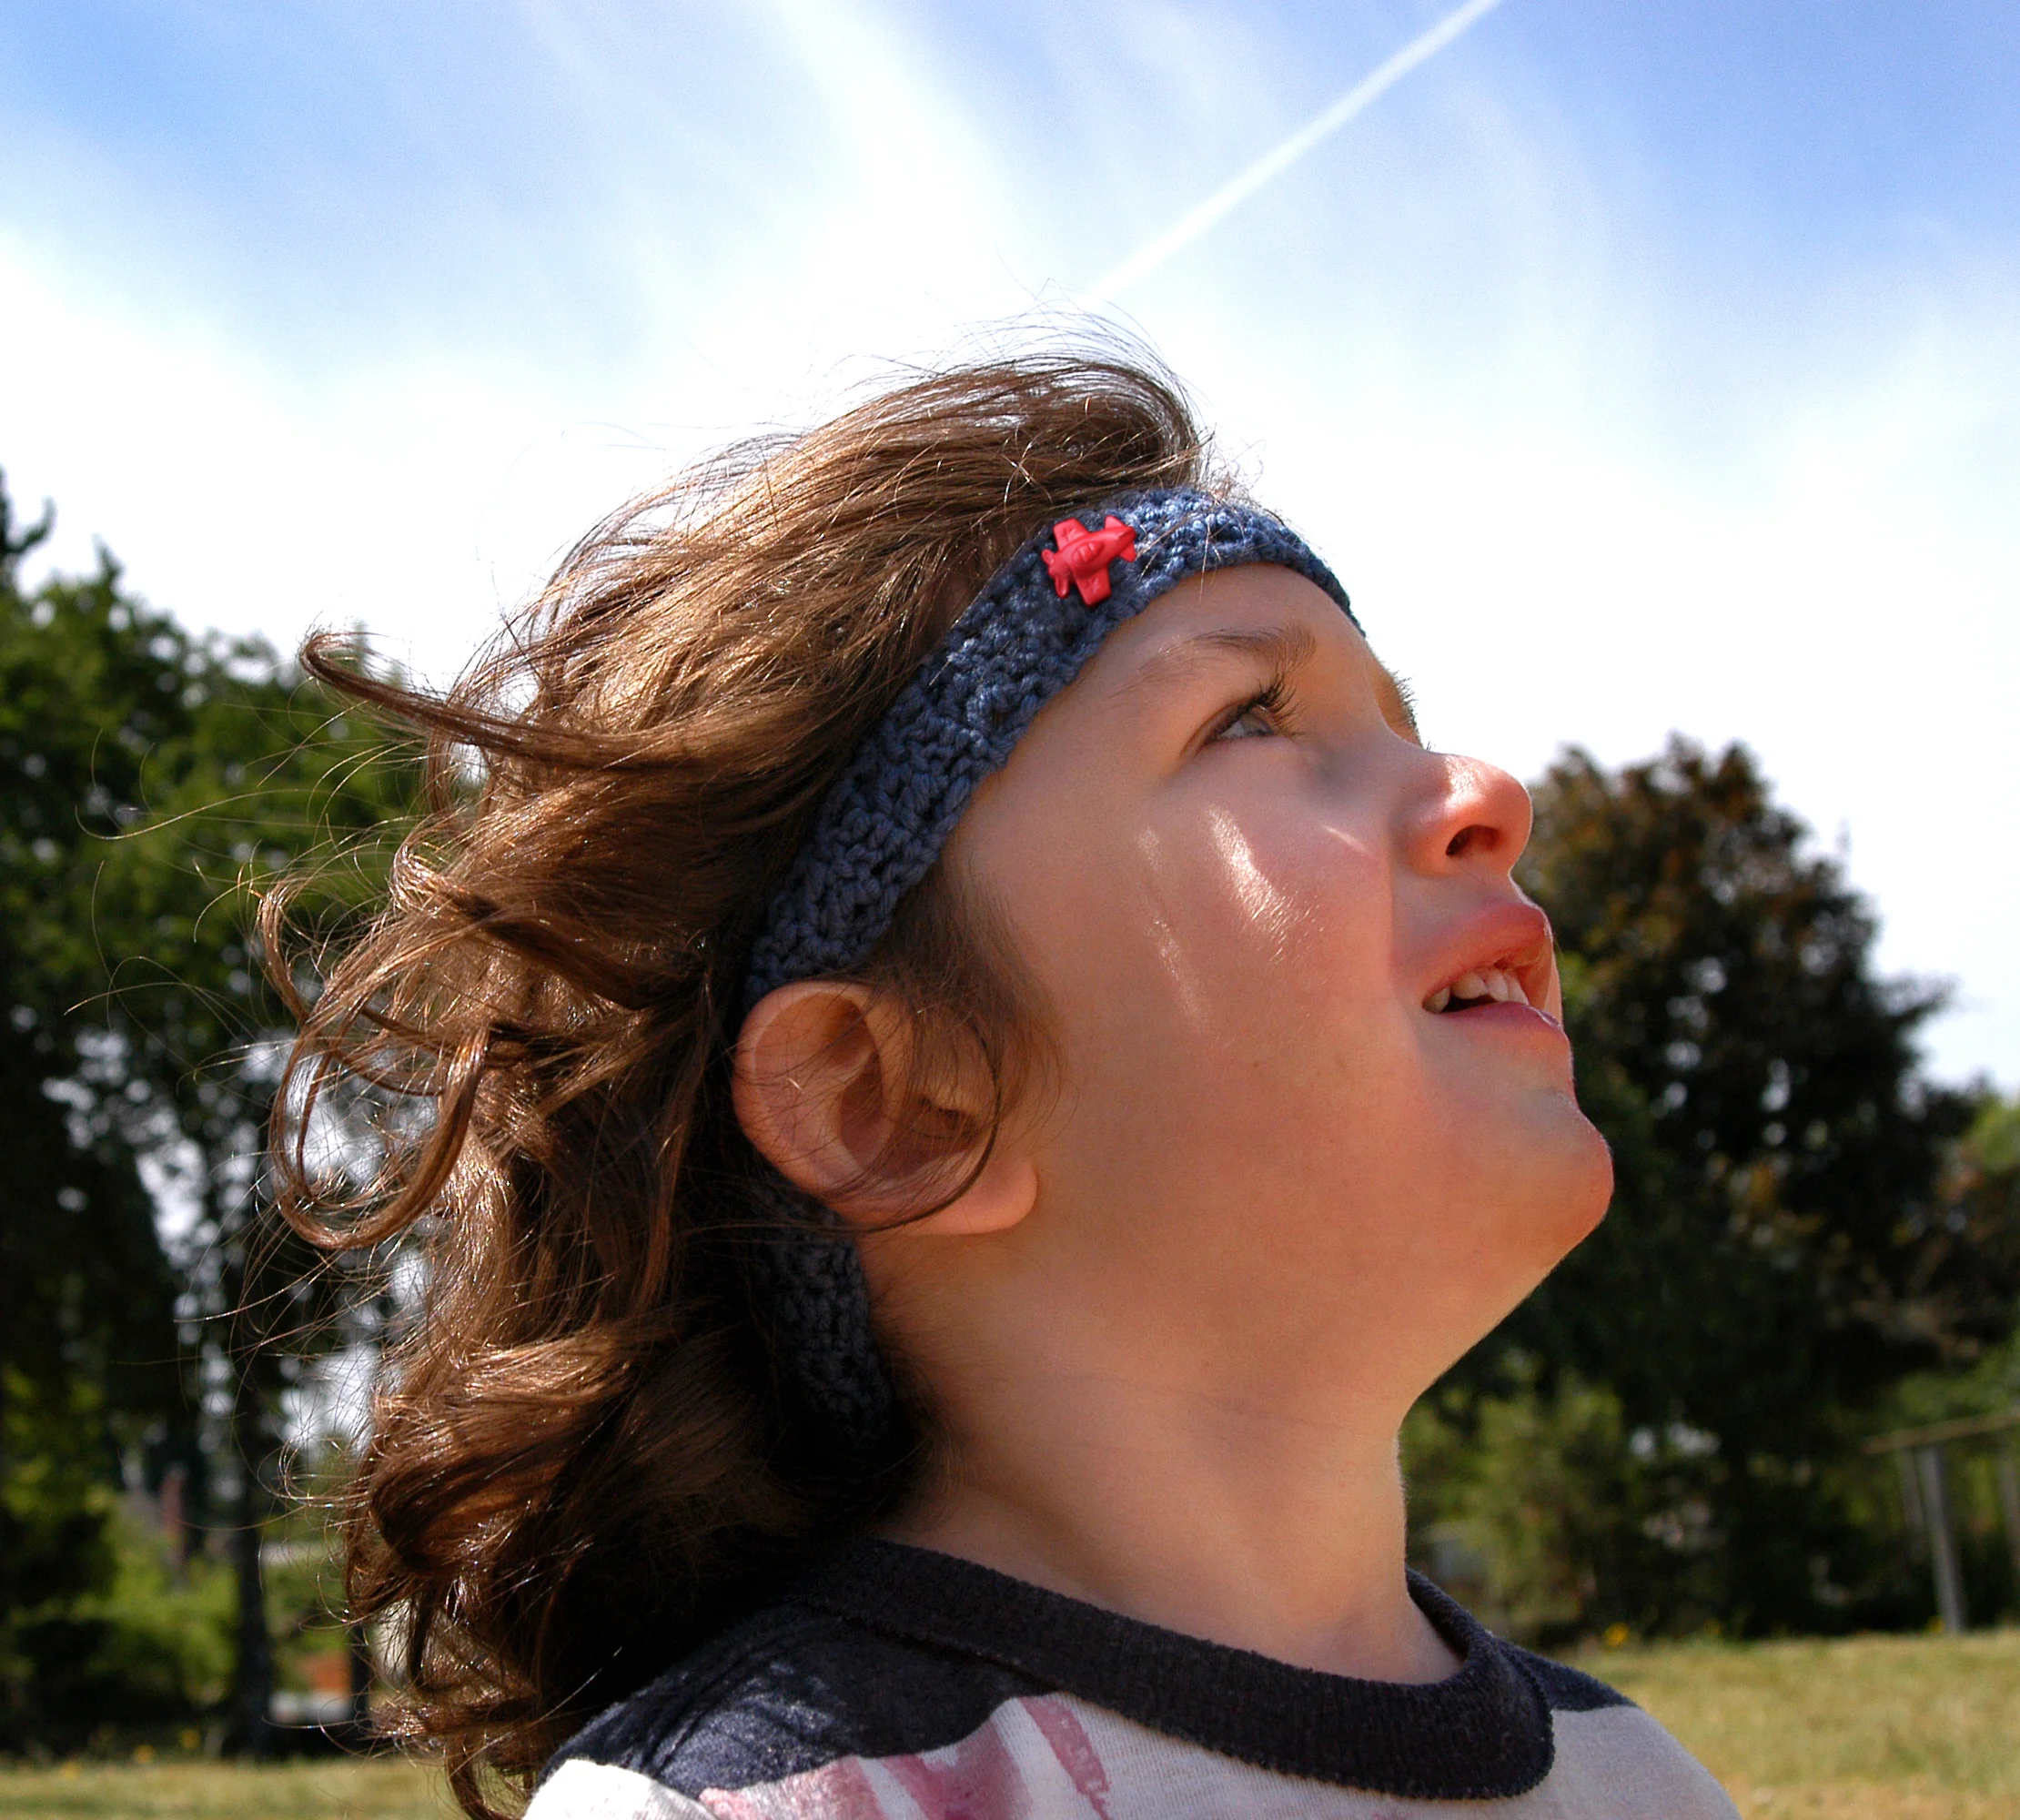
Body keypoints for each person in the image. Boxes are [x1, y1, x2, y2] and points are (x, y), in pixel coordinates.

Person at [271, 349, 1738, 1820]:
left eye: (1403, 725)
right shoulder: (756, 1811)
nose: (1490, 792)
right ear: (896, 1105)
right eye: (1250, 717)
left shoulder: (1640, 1783)